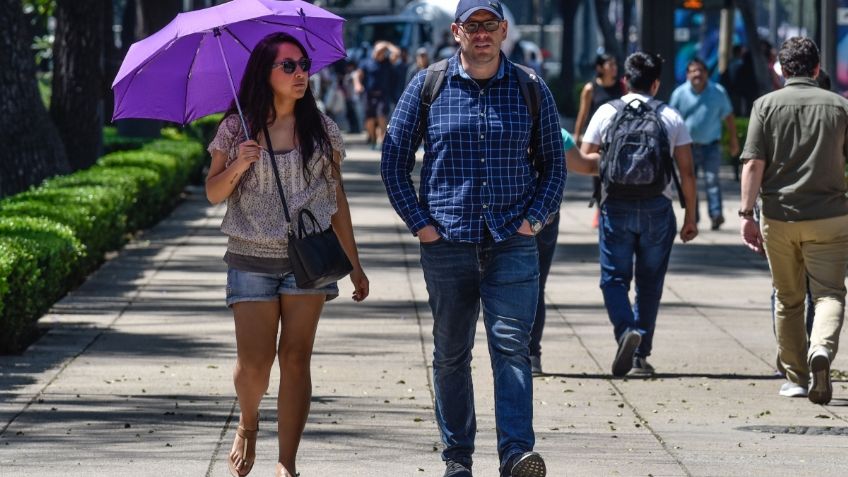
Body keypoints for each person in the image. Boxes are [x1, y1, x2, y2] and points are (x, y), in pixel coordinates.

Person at [381, 1, 565, 475]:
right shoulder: (427, 86)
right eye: (472, 26)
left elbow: (553, 165)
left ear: (503, 31)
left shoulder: (530, 87)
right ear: (457, 32)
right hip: (447, 242)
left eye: (490, 25)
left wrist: (535, 221)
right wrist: (421, 225)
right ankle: (457, 457)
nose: (481, 34)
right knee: (450, 354)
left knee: (511, 346)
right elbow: (393, 161)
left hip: (512, 240)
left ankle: (516, 454)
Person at [205, 32, 370, 477]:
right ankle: (248, 420)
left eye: (304, 65)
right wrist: (239, 163)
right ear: (266, 73)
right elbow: (213, 192)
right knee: (255, 365)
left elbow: (337, 198)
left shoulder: (323, 130)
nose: (301, 74)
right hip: (251, 258)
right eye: (289, 66)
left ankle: (287, 463)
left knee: (296, 358)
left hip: (308, 261)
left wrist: (355, 264)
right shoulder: (236, 128)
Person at [738, 37, 848, 405]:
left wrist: (745, 214)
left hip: (779, 216)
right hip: (831, 216)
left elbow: (753, 163)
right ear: (817, 69)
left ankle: (797, 376)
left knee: (788, 298)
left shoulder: (764, 106)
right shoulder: (839, 107)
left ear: (782, 71)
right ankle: (821, 349)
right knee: (830, 293)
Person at [576, 52, 698, 377]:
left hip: (615, 205)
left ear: (626, 81)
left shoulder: (606, 111)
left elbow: (586, 159)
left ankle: (625, 330)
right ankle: (640, 354)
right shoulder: (670, 115)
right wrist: (691, 217)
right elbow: (687, 172)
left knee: (614, 278)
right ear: (656, 83)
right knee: (650, 282)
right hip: (658, 208)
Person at [529, 129, 601, 376]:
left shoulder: (498, 120)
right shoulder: (555, 133)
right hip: (543, 217)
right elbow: (586, 166)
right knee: (535, 285)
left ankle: (508, 352)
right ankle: (531, 356)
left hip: (503, 214)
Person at [670, 58, 740, 231]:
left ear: (707, 73)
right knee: (688, 182)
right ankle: (693, 217)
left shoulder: (718, 92)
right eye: (693, 71)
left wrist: (733, 139)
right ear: (687, 74)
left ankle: (716, 215)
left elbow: (728, 116)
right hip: (687, 147)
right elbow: (671, 120)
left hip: (711, 146)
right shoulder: (679, 94)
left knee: (712, 180)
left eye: (701, 70)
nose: (697, 74)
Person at [573, 54, 625, 228]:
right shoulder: (591, 88)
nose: (614, 68)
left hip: (618, 138)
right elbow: (583, 113)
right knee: (598, 174)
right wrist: (577, 136)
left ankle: (613, 207)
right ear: (600, 68)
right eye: (610, 64)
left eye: (615, 64)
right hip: (598, 139)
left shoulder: (622, 87)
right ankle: (600, 209)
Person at [354, 40, 400, 148]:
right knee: (369, 119)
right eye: (380, 51)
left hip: (382, 94)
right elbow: (358, 74)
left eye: (383, 52)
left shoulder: (386, 62)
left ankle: (381, 140)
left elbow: (397, 53)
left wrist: (388, 45)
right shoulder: (366, 62)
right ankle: (373, 139)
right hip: (368, 94)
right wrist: (358, 84)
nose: (381, 54)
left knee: (381, 115)